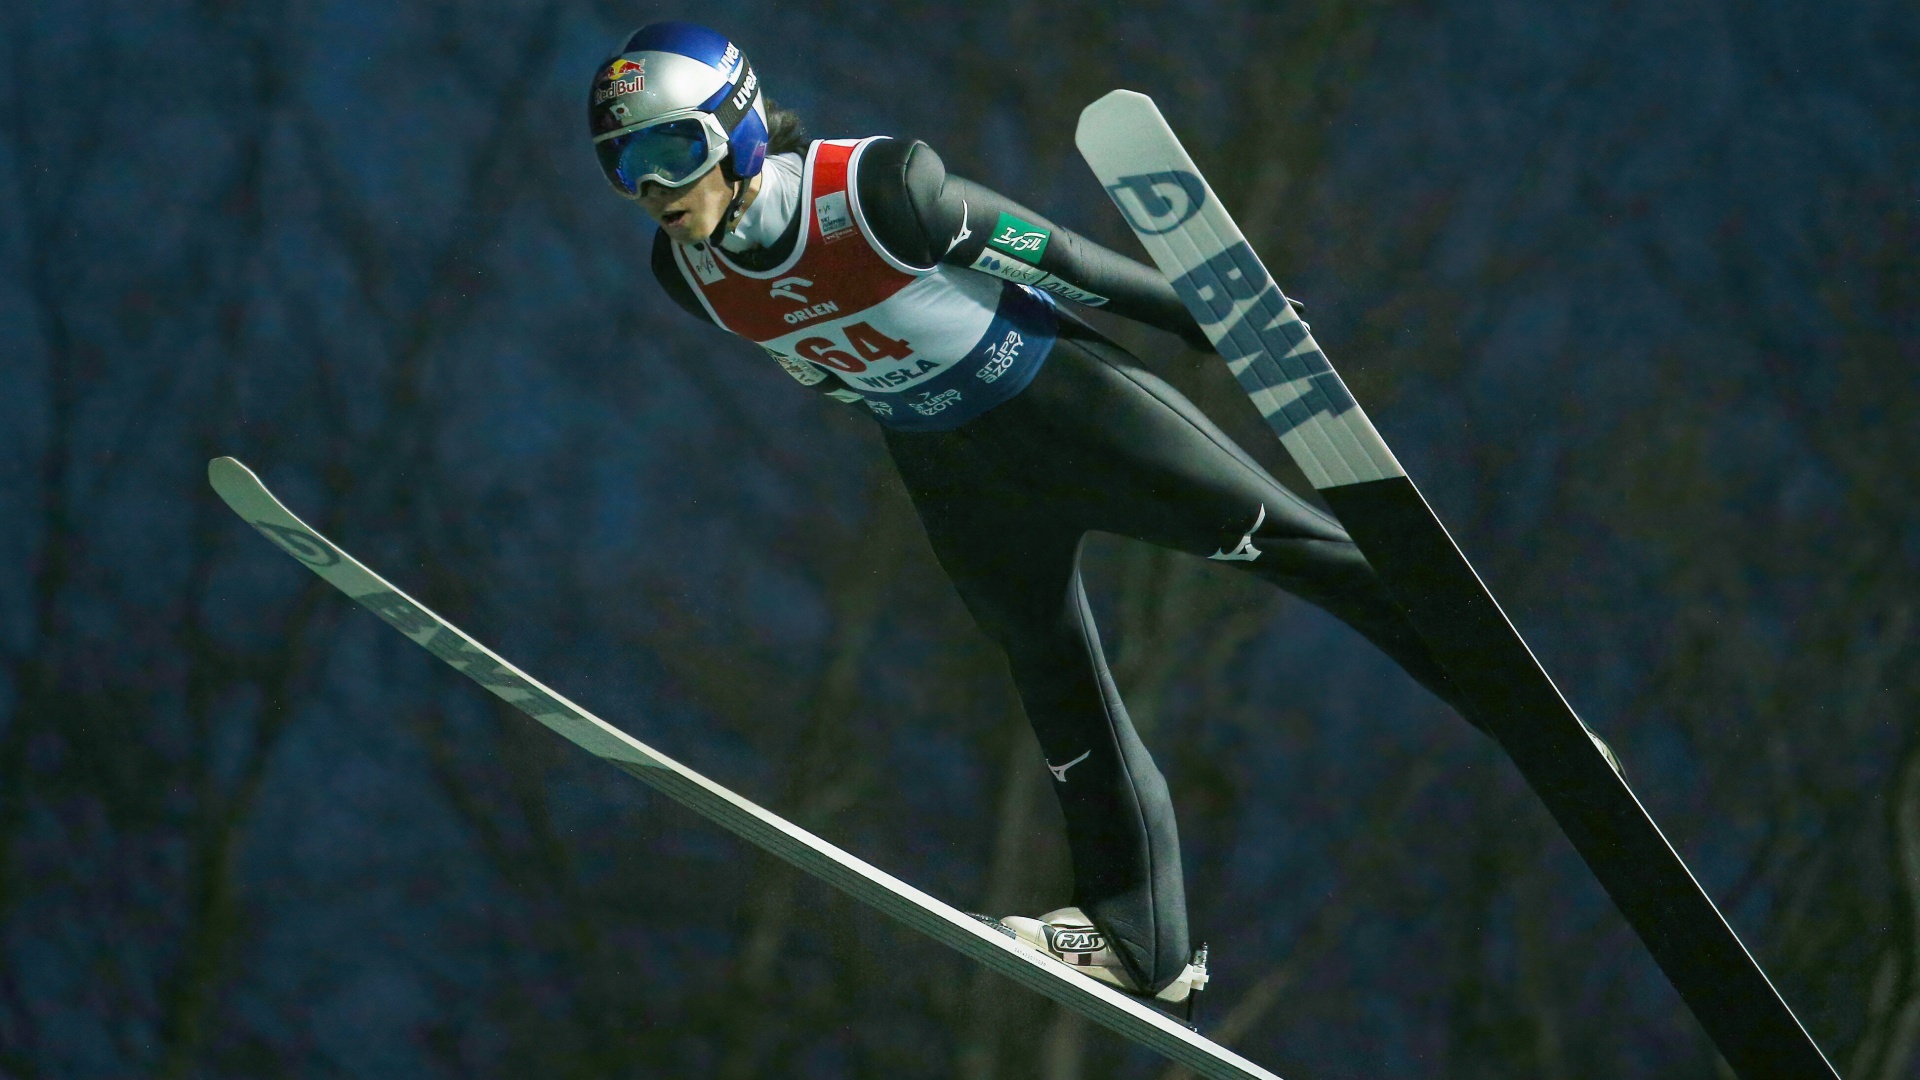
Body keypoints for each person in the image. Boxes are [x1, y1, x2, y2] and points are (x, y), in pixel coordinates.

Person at [588, 20, 1477, 1009]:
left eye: (672, 149)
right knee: (1051, 669)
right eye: (624, 164)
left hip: (1066, 407)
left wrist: (1210, 319)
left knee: (1292, 546)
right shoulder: (687, 279)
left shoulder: (878, 191)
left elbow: (1060, 261)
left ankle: (1499, 692)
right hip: (950, 466)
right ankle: (1141, 932)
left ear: (740, 130)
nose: (654, 187)